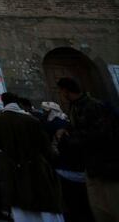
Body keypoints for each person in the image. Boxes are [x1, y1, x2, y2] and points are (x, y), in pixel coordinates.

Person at [0, 92, 64, 222]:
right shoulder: (30, 120)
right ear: (17, 103)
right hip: (36, 170)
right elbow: (45, 147)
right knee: (44, 205)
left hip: (12, 170)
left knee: (20, 206)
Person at [57, 78, 119, 222]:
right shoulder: (75, 107)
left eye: (60, 91)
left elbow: (102, 134)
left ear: (66, 91)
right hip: (91, 166)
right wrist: (66, 129)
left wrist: (69, 140)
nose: (60, 94)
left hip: (108, 167)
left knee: (113, 207)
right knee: (100, 210)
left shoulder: (93, 106)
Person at [40, 101, 93, 222]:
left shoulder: (51, 124)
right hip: (77, 168)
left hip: (65, 168)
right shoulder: (66, 122)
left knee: (71, 201)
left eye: (45, 111)